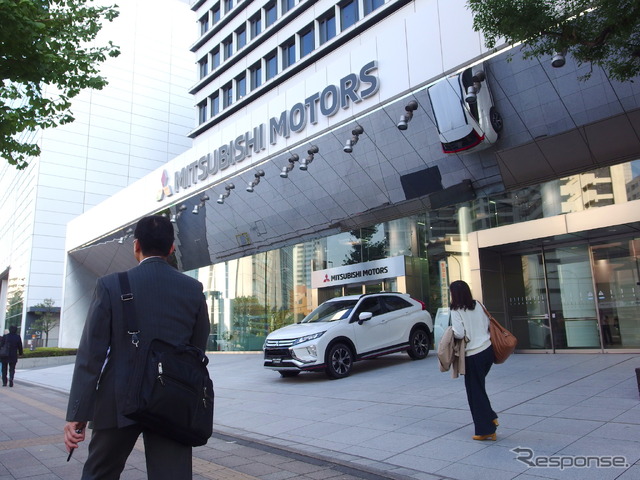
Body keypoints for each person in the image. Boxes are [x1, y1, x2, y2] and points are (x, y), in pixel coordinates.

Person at [63, 215, 210, 479]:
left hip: (116, 400)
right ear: (171, 248)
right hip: (172, 399)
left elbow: (91, 356)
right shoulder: (193, 289)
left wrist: (78, 413)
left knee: (100, 473)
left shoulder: (111, 285)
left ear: (136, 245)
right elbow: (197, 349)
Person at [449, 280, 498, 441]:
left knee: (474, 392)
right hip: (487, 351)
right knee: (479, 388)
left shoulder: (456, 310)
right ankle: (490, 416)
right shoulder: (478, 304)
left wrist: (450, 331)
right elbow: (487, 323)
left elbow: (459, 333)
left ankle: (486, 430)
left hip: (473, 355)